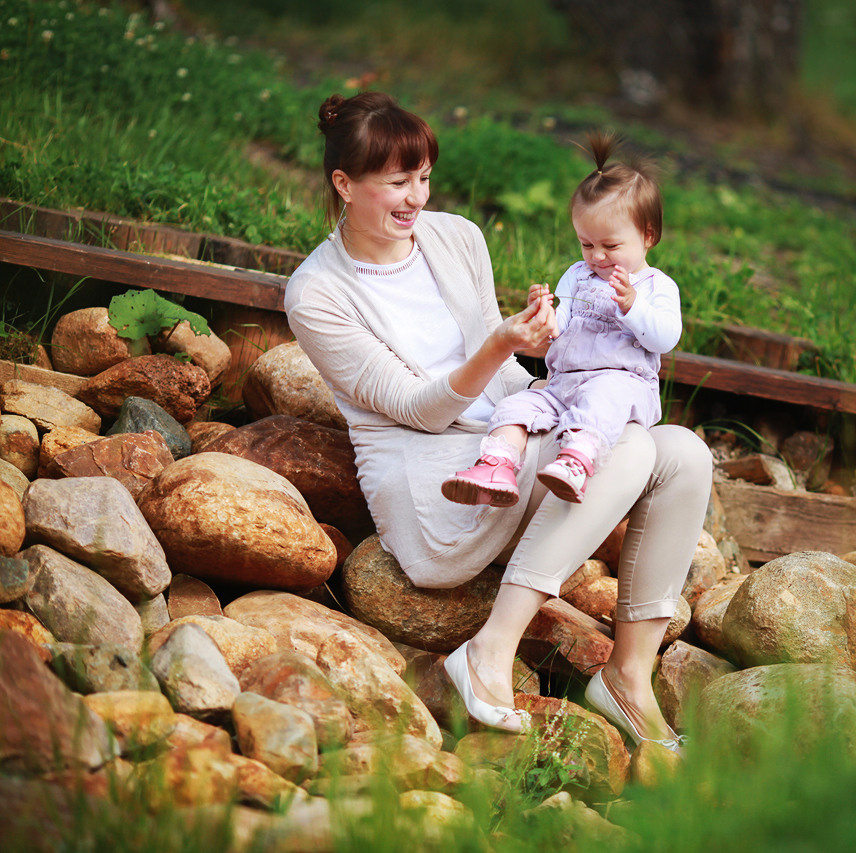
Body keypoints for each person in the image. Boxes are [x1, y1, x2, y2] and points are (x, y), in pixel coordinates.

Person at [284, 92, 711, 752]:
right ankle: (490, 651)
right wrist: (502, 345)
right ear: (344, 183)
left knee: (683, 451)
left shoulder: (456, 235)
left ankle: (629, 677)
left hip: (514, 447)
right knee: (625, 448)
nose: (416, 199)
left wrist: (547, 341)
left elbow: (514, 366)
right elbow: (421, 409)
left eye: (423, 177)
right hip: (440, 486)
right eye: (397, 183)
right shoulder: (316, 292)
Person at [442, 133, 680, 507]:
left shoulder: (655, 287)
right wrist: (547, 315)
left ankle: (576, 461)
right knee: (516, 405)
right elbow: (560, 330)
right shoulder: (577, 275)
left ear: (648, 236)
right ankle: (496, 465)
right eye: (586, 244)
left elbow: (665, 339)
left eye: (610, 246)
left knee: (602, 400)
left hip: (622, 386)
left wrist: (634, 307)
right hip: (563, 384)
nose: (597, 256)